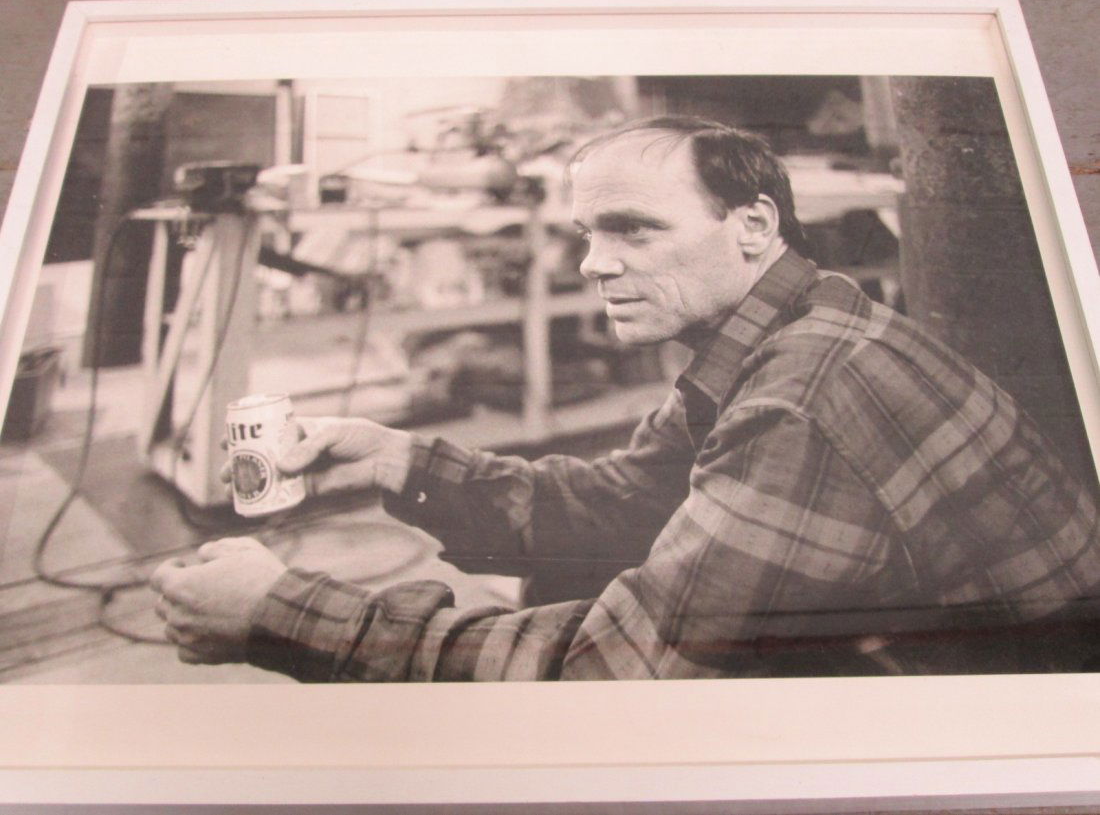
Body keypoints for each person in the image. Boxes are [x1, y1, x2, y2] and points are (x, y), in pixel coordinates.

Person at [151, 116, 1100, 681]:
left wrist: (282, 609)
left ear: (753, 226)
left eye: (633, 229)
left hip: (1004, 728)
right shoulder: (793, 319)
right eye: (587, 232)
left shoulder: (797, 401)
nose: (594, 263)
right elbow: (620, 498)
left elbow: (604, 671)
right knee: (575, 568)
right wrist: (401, 459)